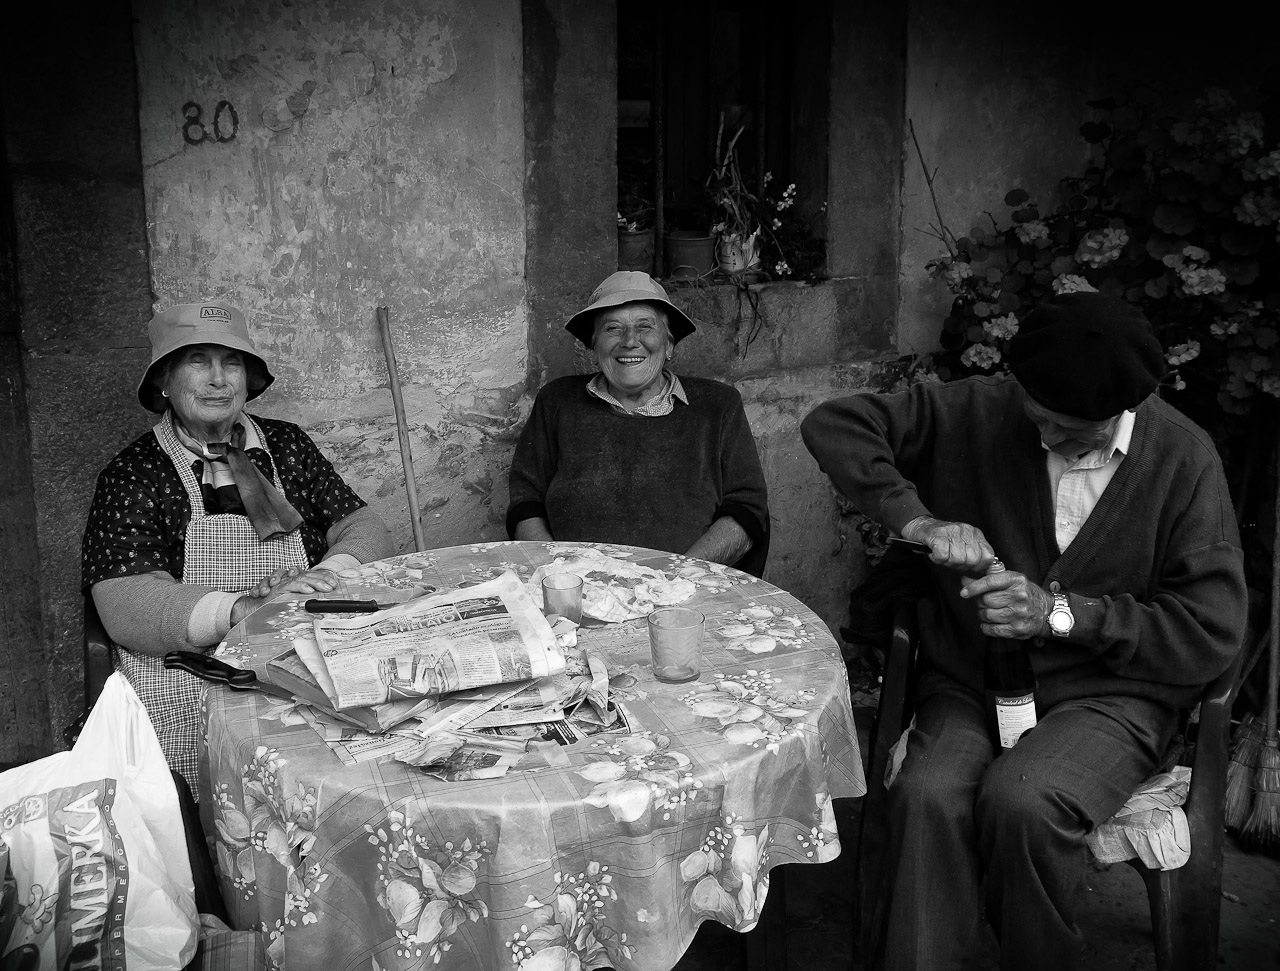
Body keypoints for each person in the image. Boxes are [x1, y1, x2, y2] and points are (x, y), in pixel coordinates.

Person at [800, 292, 1246, 971]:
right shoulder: (980, 407)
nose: (1052, 440)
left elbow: (1210, 630)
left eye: (1076, 432)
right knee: (926, 793)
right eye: (1041, 419)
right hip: (971, 677)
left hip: (1110, 698)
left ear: (1124, 410)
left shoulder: (1184, 461)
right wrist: (918, 521)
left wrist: (1061, 613)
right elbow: (837, 424)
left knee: (1023, 801)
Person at [81, 300, 395, 792]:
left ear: (249, 379)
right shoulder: (134, 474)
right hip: (194, 670)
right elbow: (124, 601)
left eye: (231, 363)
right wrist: (247, 607)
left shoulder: (287, 445)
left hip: (304, 642)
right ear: (164, 381)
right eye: (197, 361)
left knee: (364, 764)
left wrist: (328, 576)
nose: (218, 379)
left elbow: (363, 525)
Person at [506, 271, 769, 575]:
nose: (630, 341)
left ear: (669, 345)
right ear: (594, 345)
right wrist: (556, 575)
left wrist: (677, 575)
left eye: (645, 326)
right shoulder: (557, 401)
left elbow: (747, 510)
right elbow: (526, 501)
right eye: (613, 328)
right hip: (574, 587)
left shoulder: (718, 406)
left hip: (688, 585)